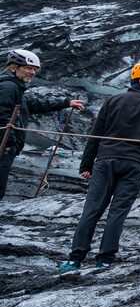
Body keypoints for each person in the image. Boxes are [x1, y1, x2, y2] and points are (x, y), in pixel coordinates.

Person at [60, 63, 140, 274]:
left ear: (132, 80)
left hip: (106, 159)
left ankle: (75, 259)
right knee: (118, 211)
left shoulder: (113, 101)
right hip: (135, 164)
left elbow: (96, 134)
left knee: (92, 208)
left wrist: (86, 164)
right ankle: (105, 259)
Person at [0, 48, 86, 200]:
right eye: (28, 68)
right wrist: (9, 143)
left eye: (34, 69)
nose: (32, 72)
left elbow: (32, 105)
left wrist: (65, 102)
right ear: (14, 67)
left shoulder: (15, 87)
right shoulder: (9, 87)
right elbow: (3, 116)